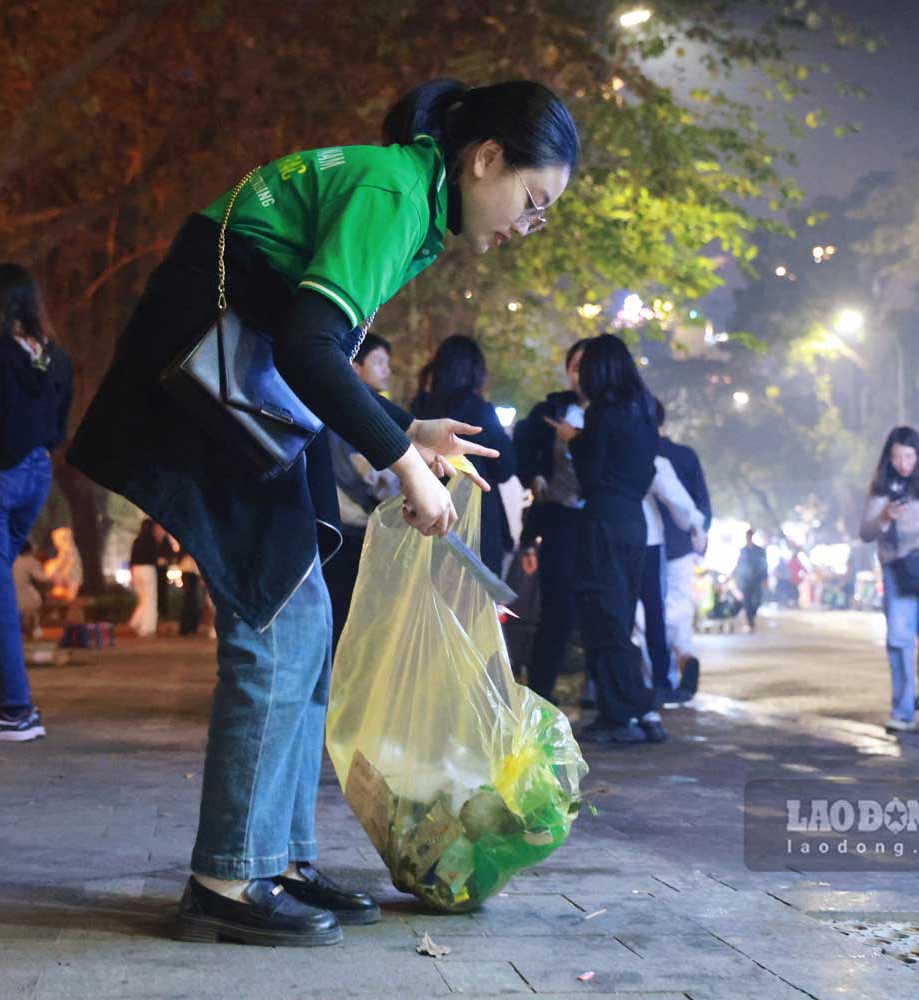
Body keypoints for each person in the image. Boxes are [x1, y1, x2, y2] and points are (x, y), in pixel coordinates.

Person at [67, 79, 578, 946]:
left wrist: (404, 427)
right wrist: (403, 461)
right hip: (204, 393)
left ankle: (276, 858)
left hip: (241, 393)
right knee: (276, 623)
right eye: (532, 202)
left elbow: (309, 349)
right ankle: (228, 878)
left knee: (302, 623)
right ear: (486, 158)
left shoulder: (409, 196)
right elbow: (307, 346)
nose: (526, 227)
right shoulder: (392, 189)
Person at [0, 263, 73, 742]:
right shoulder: (57, 359)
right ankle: (13, 702)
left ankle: (16, 708)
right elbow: (60, 424)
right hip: (36, 473)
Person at [556, 333, 659, 745]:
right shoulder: (644, 412)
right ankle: (635, 708)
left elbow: (591, 474)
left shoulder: (602, 413)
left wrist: (573, 442)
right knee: (619, 612)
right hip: (633, 520)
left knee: (604, 613)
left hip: (603, 519)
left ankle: (621, 713)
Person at [859, 425, 919, 732]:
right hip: (898, 572)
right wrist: (884, 516)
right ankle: (903, 712)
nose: (903, 463)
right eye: (897, 457)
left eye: (909, 456)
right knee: (900, 642)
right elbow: (865, 532)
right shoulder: (882, 490)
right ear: (889, 459)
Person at [511, 339, 589, 700]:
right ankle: (541, 689)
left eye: (586, 364)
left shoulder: (611, 412)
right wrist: (533, 475)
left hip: (595, 522)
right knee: (556, 605)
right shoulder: (552, 408)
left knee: (594, 606)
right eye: (574, 364)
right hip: (557, 518)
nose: (579, 372)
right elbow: (522, 448)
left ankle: (596, 688)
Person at [410, 334, 517, 574]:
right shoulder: (481, 411)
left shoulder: (420, 409)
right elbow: (506, 468)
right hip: (479, 524)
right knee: (475, 604)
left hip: (429, 516)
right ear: (476, 373)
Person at [323, 332, 399, 648]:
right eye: (379, 361)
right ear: (354, 366)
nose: (387, 370)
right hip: (344, 530)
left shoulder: (374, 410)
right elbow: (362, 472)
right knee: (340, 618)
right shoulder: (347, 413)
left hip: (361, 531)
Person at [637, 450, 706, 718]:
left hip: (606, 533)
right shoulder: (664, 456)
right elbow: (678, 497)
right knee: (660, 611)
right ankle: (664, 678)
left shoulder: (594, 437)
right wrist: (697, 525)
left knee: (634, 618)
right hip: (654, 540)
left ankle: (622, 684)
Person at [654, 402, 711, 697]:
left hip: (650, 540)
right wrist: (701, 531)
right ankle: (685, 656)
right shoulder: (686, 455)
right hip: (681, 541)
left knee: (650, 611)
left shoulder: (646, 453)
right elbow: (702, 499)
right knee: (679, 604)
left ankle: (660, 675)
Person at [128, 518, 165, 638]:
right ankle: (147, 628)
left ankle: (136, 622)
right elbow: (154, 557)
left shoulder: (137, 541)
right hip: (148, 570)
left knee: (143, 598)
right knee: (150, 599)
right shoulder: (151, 541)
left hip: (136, 570)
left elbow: (132, 558)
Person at [12, 542, 49, 639]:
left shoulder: (11, 560)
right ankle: (34, 629)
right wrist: (54, 574)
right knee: (35, 604)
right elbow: (42, 578)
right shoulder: (31, 562)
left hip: (10, 595)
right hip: (24, 596)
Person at [733, 528, 768, 632]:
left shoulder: (760, 551)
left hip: (757, 580)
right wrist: (734, 577)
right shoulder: (743, 551)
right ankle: (750, 620)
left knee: (757, 600)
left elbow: (764, 566)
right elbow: (739, 565)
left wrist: (765, 578)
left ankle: (752, 615)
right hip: (745, 581)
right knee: (747, 601)